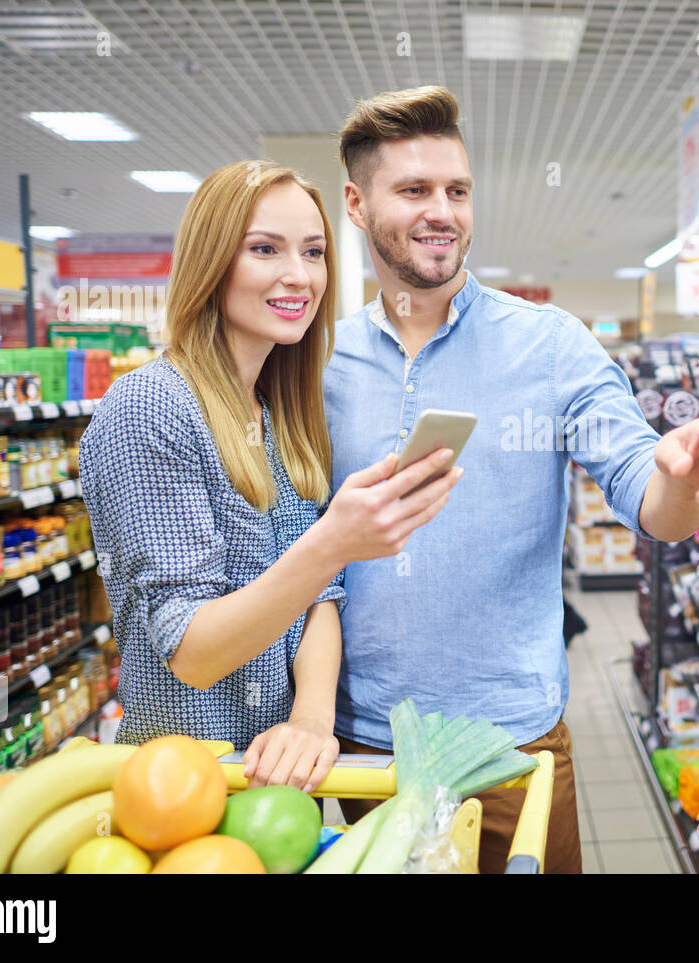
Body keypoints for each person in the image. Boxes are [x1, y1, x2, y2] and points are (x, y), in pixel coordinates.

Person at [325, 87, 699, 872]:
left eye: (458, 191)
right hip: (365, 743)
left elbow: (652, 496)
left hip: (514, 739)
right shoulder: (319, 362)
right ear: (356, 205)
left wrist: (684, 475)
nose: (443, 210)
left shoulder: (550, 344)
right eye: (413, 190)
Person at [80, 160, 460, 792]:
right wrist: (333, 541)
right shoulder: (150, 409)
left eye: (314, 252)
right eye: (264, 249)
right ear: (212, 263)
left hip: (282, 783)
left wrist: (312, 723)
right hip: (182, 788)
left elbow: (320, 597)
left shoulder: (279, 412)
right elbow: (194, 652)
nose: (299, 275)